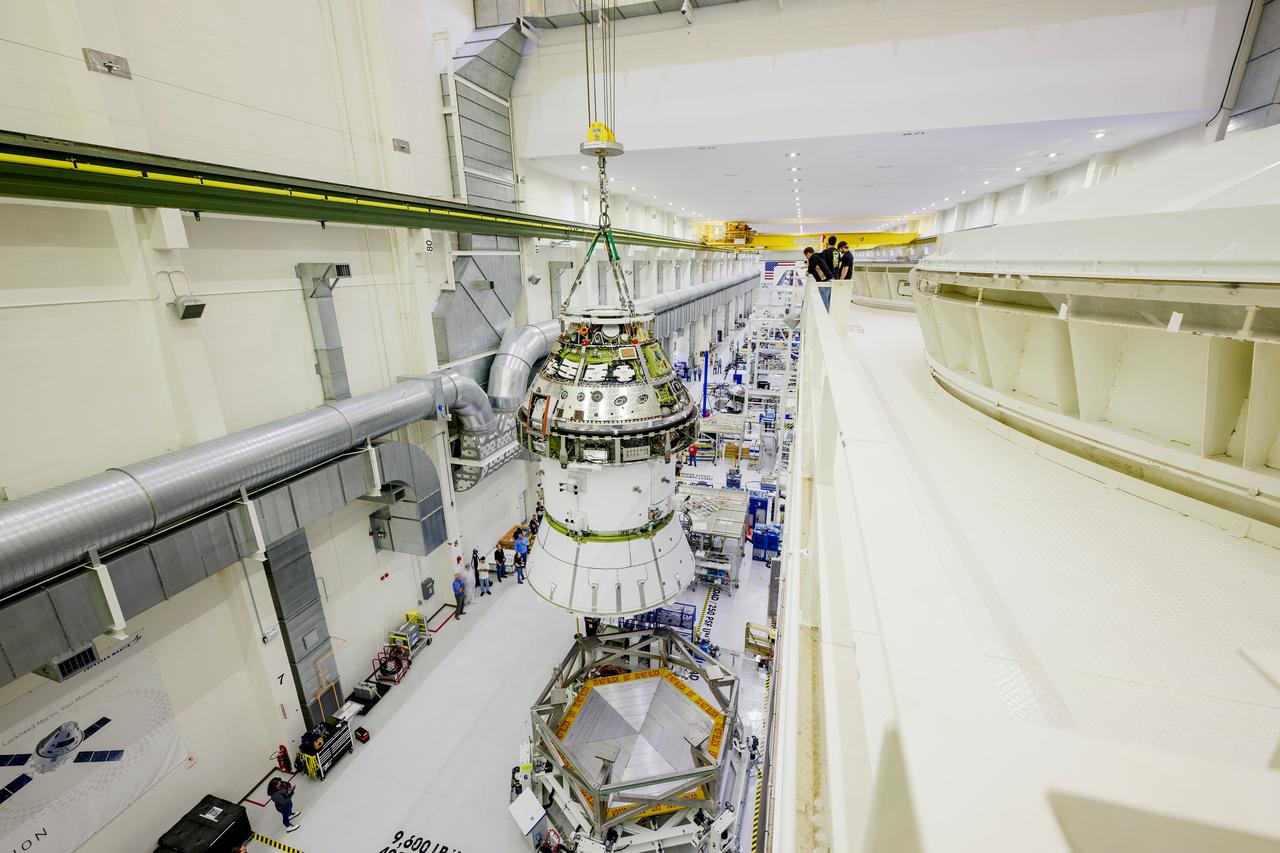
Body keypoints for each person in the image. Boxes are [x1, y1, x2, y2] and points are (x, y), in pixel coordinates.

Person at [803, 247, 833, 311]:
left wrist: (807, 272)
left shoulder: (813, 258)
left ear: (808, 253)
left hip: (823, 281)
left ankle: (826, 315)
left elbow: (811, 269)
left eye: (806, 255)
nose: (806, 257)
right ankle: (828, 313)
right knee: (827, 299)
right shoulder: (817, 257)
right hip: (828, 279)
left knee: (824, 300)